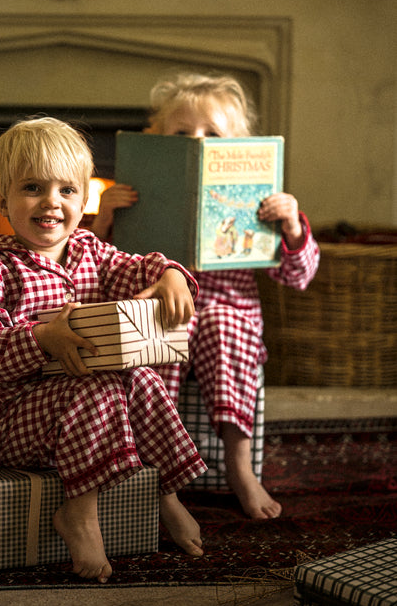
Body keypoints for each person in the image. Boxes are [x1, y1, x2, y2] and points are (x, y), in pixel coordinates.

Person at [0, 116, 207, 584]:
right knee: (98, 382)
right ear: (3, 201)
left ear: (85, 200)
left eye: (67, 190)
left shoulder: (91, 251)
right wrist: (39, 339)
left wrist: (167, 273)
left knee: (141, 376)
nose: (51, 201)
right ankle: (79, 514)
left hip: (80, 415)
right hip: (9, 419)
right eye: (32, 188)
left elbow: (137, 267)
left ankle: (162, 492)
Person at [92, 72, 320, 521]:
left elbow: (299, 276)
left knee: (221, 321)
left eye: (212, 134)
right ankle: (157, 468)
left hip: (228, 318)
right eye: (181, 133)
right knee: (166, 318)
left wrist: (291, 226)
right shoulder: (136, 194)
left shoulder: (262, 204)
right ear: (156, 141)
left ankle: (239, 466)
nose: (197, 141)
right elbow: (97, 272)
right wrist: (103, 220)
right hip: (166, 307)